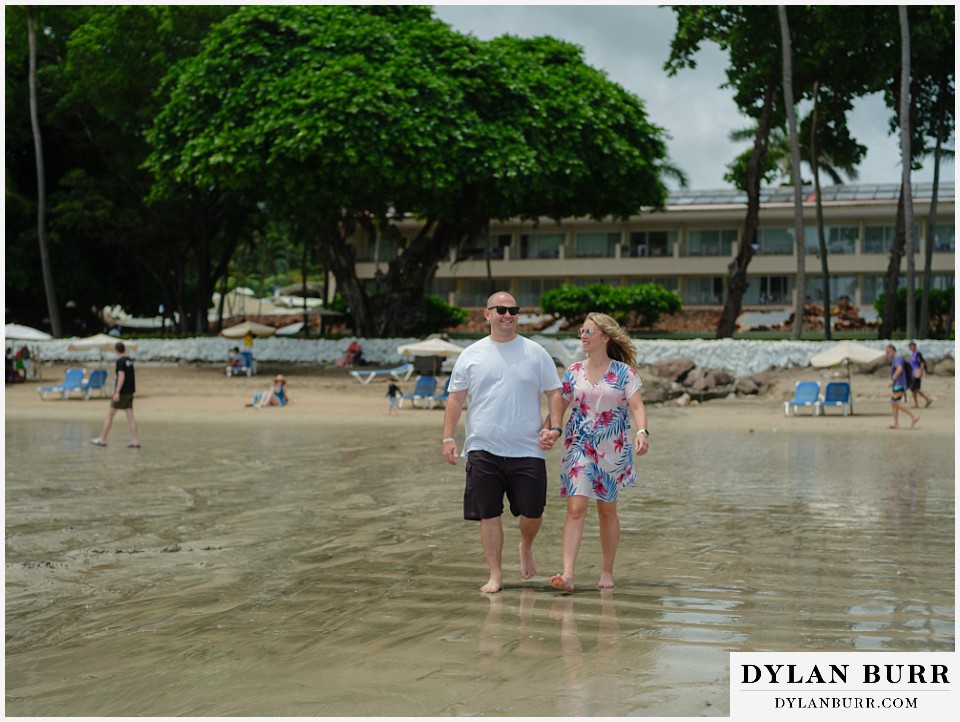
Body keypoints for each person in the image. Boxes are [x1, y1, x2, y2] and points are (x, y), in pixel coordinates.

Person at [442, 291, 564, 594]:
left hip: (528, 448)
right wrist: (447, 437)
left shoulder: (536, 352)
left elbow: (555, 393)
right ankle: (495, 575)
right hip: (483, 447)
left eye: (514, 310)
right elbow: (455, 400)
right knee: (489, 514)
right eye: (501, 310)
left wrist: (556, 428)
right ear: (487, 314)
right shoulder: (471, 354)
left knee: (533, 512)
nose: (508, 315)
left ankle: (526, 544)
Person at [550, 313, 649, 593]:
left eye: (589, 332)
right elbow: (561, 404)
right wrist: (550, 429)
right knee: (575, 508)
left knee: (606, 511)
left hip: (611, 448)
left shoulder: (623, 373)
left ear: (604, 337)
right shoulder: (573, 371)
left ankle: (606, 570)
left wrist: (642, 432)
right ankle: (568, 574)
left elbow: (638, 407)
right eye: (582, 331)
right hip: (578, 446)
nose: (583, 335)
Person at [91, 342, 140, 448]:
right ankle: (134, 440)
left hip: (122, 392)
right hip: (130, 392)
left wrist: (117, 391)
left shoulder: (120, 362)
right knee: (131, 417)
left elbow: (121, 376)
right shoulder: (129, 361)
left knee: (110, 415)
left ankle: (102, 438)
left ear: (116, 350)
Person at [885, 344, 918, 430]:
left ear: (892, 350)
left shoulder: (897, 358)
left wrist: (892, 379)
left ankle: (913, 416)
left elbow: (899, 369)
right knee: (893, 403)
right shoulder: (896, 358)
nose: (887, 354)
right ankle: (895, 422)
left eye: (888, 352)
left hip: (900, 383)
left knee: (896, 403)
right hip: (898, 384)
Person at [907, 342, 933, 408]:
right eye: (910, 347)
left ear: (915, 346)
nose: (911, 348)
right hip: (913, 373)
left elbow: (922, 362)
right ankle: (916, 403)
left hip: (917, 372)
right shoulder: (912, 354)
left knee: (915, 388)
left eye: (912, 346)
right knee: (913, 389)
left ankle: (927, 399)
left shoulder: (918, 354)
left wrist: (921, 372)